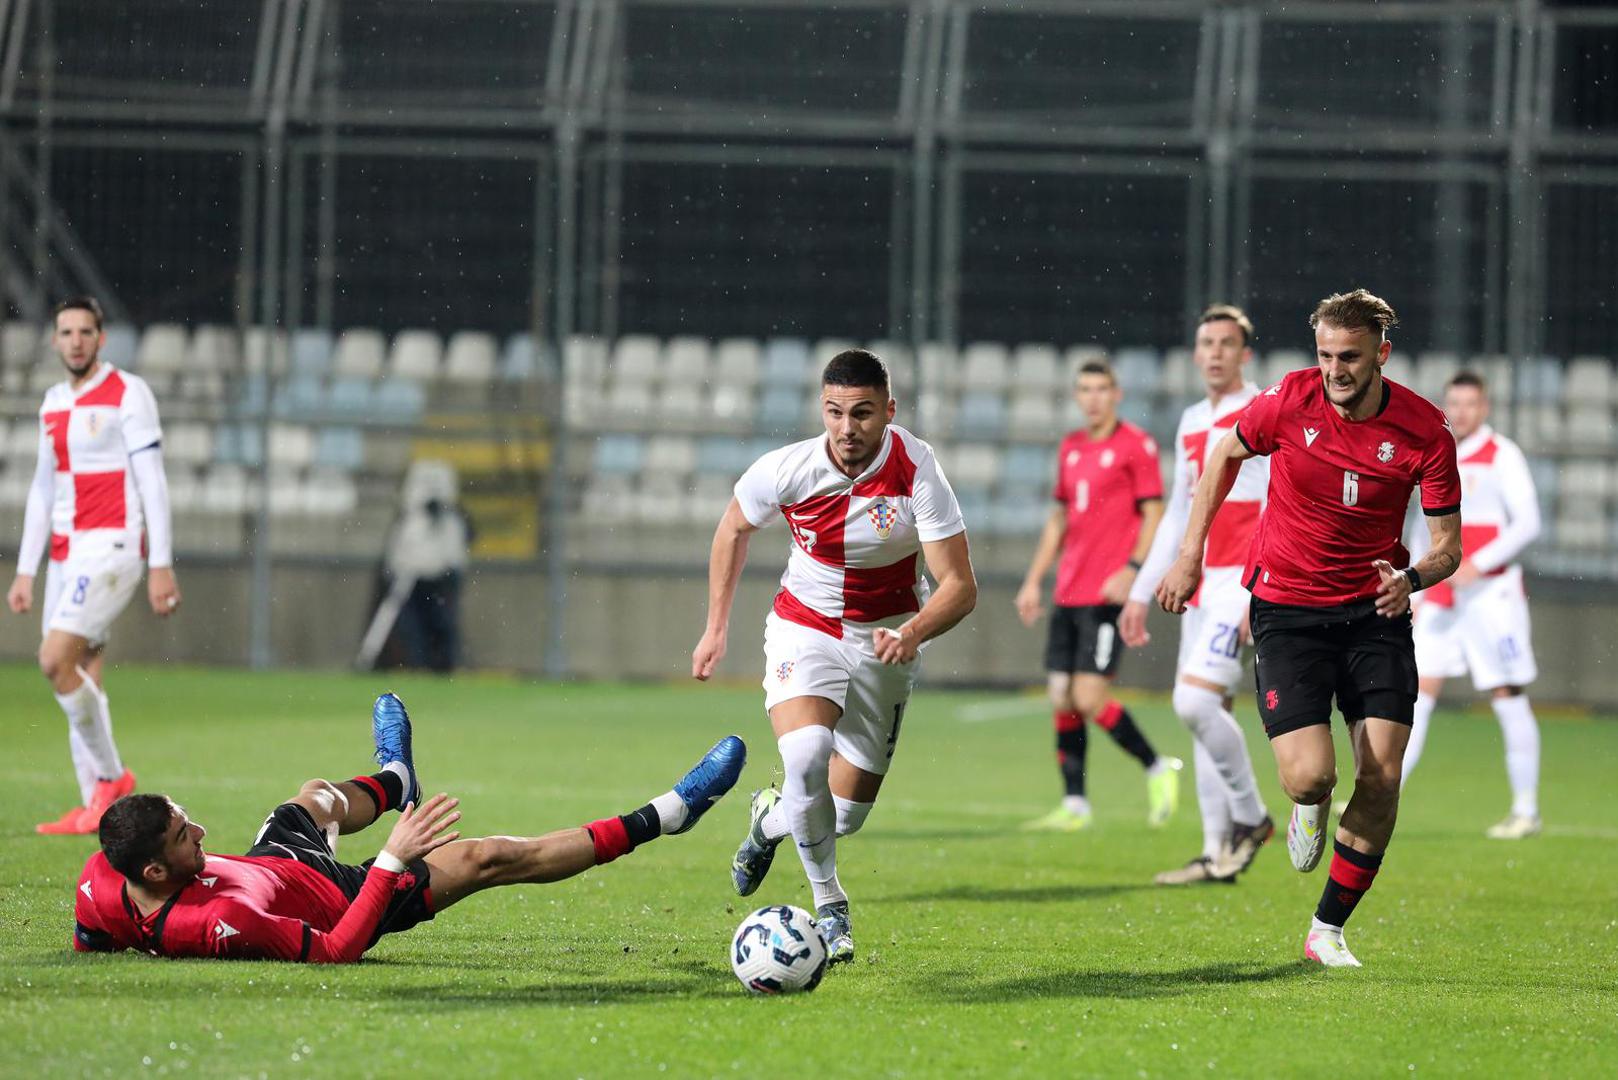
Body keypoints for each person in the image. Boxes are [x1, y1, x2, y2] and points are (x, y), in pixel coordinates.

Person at [1156, 288, 1462, 968]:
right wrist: (1189, 554)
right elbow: (1222, 455)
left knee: (1382, 777)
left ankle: (1327, 930)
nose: (1334, 370)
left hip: (1375, 613)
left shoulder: (1426, 431)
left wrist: (1410, 579)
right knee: (1308, 778)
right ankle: (1311, 803)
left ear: (1382, 354)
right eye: (1325, 355)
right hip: (1288, 609)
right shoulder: (1289, 400)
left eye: (1349, 357)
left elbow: (1448, 547)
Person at [72, 693, 746, 962]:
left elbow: (92, 936)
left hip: (276, 859)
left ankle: (396, 777)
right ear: (156, 871)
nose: (200, 831)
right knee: (486, 857)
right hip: (349, 898)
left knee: (314, 796)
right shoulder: (221, 922)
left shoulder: (101, 879)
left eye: (186, 819)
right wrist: (391, 860)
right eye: (185, 836)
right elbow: (335, 951)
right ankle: (667, 815)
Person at [691, 348, 977, 965]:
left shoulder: (918, 471)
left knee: (842, 816)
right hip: (807, 626)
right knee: (806, 754)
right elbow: (733, 528)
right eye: (835, 412)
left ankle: (770, 821)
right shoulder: (788, 469)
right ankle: (831, 905)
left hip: (886, 642)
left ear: (889, 411)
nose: (847, 428)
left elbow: (959, 586)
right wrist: (715, 628)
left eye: (863, 413)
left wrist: (912, 632)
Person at [7, 297, 181, 836]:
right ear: (55, 340)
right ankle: (95, 807)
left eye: (86, 331)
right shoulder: (54, 401)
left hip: (111, 548)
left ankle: (111, 776)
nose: (76, 341)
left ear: (101, 339)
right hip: (64, 556)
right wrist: (26, 569)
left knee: (54, 660)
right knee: (82, 673)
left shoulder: (128, 392)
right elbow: (43, 487)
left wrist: (161, 562)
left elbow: (152, 480)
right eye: (66, 332)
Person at [1120, 306, 1273, 884]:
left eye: (1226, 343)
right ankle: (1215, 855)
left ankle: (1252, 817)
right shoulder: (1190, 420)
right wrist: (1140, 591)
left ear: (1244, 354)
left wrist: (1261, 588)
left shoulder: (1263, 411)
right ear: (1195, 353)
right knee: (1206, 714)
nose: (1215, 353)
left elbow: (1280, 502)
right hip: (1199, 585)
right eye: (1206, 343)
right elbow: (1179, 512)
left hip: (1241, 582)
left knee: (1194, 703)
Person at [1015, 359, 1180, 833]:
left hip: (1106, 593)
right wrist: (1033, 579)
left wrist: (1133, 571)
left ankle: (1157, 767)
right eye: (1085, 389)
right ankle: (1075, 804)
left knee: (1088, 697)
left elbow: (1154, 515)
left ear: (1116, 394)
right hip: (1068, 591)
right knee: (1061, 696)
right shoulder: (1071, 447)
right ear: (1077, 396)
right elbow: (1059, 520)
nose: (1093, 398)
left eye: (1101, 389)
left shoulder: (1136, 445)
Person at [1400, 372, 1543, 839]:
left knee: (1507, 693)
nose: (1460, 412)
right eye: (1453, 403)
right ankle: (1383, 793)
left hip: (1491, 596)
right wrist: (1416, 589)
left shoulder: (1502, 454)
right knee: (1416, 692)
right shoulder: (1437, 452)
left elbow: (1527, 523)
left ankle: (1526, 810)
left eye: (1469, 404)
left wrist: (1477, 565)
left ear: (1484, 408)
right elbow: (1422, 528)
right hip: (1441, 596)